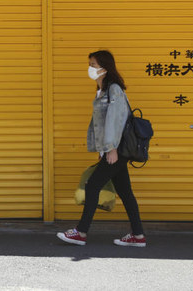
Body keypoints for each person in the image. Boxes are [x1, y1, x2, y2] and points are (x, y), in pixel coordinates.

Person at [56, 50, 146, 247]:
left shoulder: (114, 89)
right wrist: (102, 148)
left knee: (93, 185)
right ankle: (138, 236)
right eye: (90, 64)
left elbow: (115, 120)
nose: (90, 68)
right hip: (112, 149)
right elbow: (101, 122)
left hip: (117, 149)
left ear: (104, 68)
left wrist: (111, 148)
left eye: (93, 65)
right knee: (126, 192)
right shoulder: (103, 90)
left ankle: (80, 232)